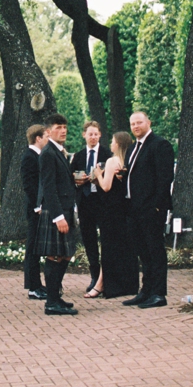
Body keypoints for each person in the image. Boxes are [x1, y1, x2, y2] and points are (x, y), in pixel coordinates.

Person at [121, 111, 175, 310]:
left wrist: (157, 206)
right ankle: (146, 290)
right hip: (134, 208)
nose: (136, 126)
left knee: (155, 250)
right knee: (142, 251)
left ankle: (159, 293)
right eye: (133, 123)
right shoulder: (133, 147)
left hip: (151, 208)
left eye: (139, 122)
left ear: (148, 122)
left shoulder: (160, 145)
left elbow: (164, 178)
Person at [35, 116, 78, 316]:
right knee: (54, 255)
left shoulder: (58, 151)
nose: (63, 131)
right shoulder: (48, 153)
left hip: (66, 208)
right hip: (57, 211)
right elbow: (49, 188)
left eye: (64, 127)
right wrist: (58, 216)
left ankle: (55, 296)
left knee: (66, 254)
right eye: (58, 127)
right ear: (49, 131)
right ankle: (51, 302)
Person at [92, 130, 139, 300]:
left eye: (112, 141)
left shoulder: (112, 161)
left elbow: (106, 187)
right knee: (124, 247)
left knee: (109, 247)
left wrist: (97, 175)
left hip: (110, 210)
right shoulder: (128, 161)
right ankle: (126, 284)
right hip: (124, 209)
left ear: (117, 144)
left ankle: (106, 285)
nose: (110, 144)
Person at [70, 120, 111, 296]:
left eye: (96, 134)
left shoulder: (108, 155)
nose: (93, 137)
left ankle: (106, 278)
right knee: (89, 240)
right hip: (85, 202)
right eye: (90, 134)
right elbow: (70, 178)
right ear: (84, 135)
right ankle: (94, 277)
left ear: (100, 135)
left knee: (106, 240)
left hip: (102, 202)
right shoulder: (78, 157)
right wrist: (77, 180)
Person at [20, 124, 47, 300]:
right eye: (46, 136)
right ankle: (32, 287)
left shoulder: (36, 156)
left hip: (38, 207)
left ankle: (37, 284)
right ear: (38, 138)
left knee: (36, 248)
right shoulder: (29, 157)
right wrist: (37, 206)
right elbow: (29, 185)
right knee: (32, 248)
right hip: (35, 209)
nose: (48, 139)